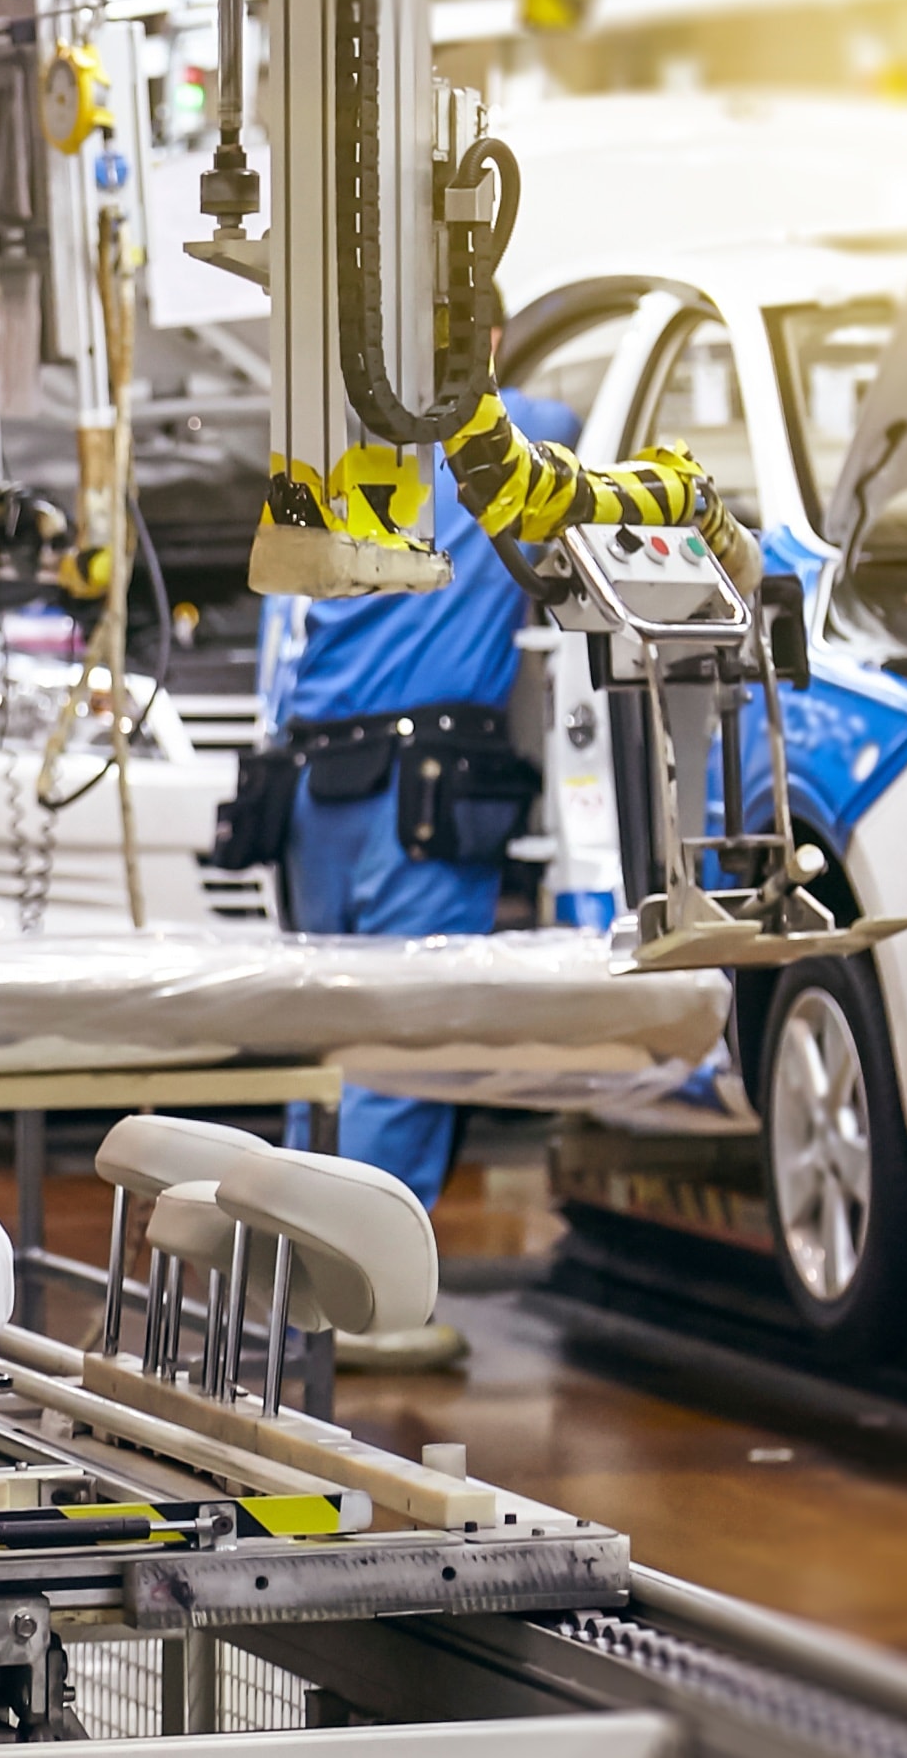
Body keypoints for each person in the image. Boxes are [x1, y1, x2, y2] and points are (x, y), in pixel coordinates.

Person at [270, 307, 581, 1211]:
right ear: (487, 341)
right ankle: (364, 1308)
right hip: (418, 797)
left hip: (311, 788)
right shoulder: (525, 432)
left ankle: (292, 1289)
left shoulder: (331, 452)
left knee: (324, 1038)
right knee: (396, 1045)